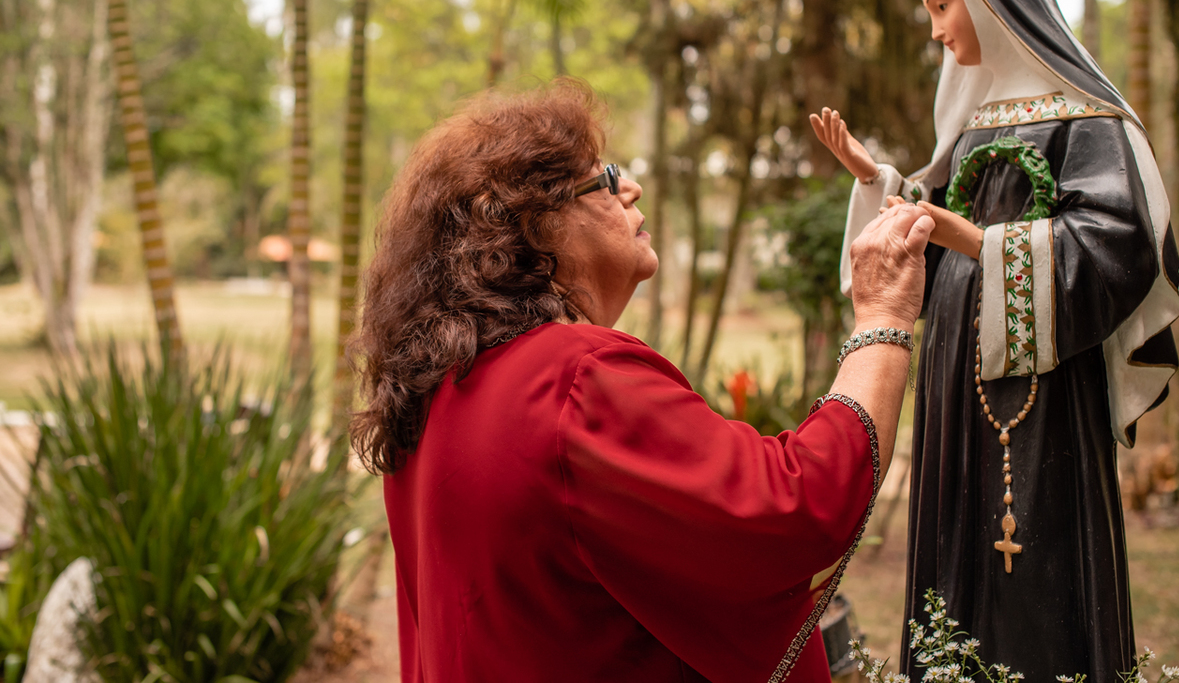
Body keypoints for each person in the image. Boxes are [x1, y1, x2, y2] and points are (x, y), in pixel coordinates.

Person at [351, 80, 935, 683]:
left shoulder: (435, 390)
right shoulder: (571, 379)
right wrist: (883, 314)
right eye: (603, 180)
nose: (629, 188)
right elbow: (793, 508)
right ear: (535, 225)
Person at [810, 0, 1179, 680]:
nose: (935, 30)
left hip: (1045, 397)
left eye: (941, 6)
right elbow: (934, 223)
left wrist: (981, 243)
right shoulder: (976, 126)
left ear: (990, 1)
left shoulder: (1087, 122)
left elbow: (1117, 244)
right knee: (956, 544)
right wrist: (876, 181)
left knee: (1036, 563)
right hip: (955, 378)